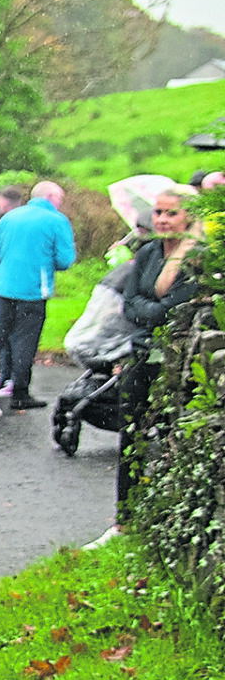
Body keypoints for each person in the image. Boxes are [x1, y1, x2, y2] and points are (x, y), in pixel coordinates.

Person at [117, 185, 201, 510]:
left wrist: (149, 308)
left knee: (169, 434)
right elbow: (129, 304)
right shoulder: (149, 252)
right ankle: (124, 514)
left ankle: (163, 511)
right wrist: (152, 309)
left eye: (171, 213)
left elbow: (173, 309)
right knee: (131, 434)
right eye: (158, 212)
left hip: (172, 358)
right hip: (139, 354)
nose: (162, 219)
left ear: (188, 217)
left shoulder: (195, 259)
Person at [0, 180, 76, 410]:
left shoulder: (10, 217)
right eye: (60, 198)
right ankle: (20, 392)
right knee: (25, 340)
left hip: (5, 286)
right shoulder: (56, 221)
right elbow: (65, 260)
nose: (61, 203)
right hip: (34, 289)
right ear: (50, 197)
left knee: (0, 336)